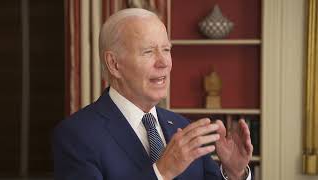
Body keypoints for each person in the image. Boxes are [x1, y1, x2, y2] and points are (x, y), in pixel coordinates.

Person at [53, 8, 253, 180]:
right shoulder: (76, 135)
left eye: (166, 50)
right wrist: (161, 173)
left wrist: (234, 173)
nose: (164, 62)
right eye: (148, 52)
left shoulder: (183, 127)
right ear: (114, 64)